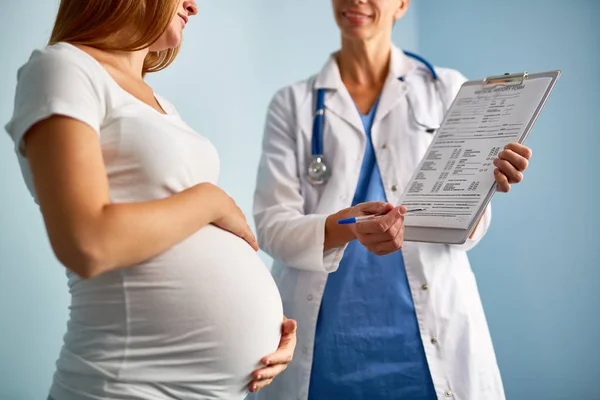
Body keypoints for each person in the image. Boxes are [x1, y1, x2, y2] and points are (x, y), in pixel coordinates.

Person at [4, 1, 297, 399]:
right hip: (125, 386)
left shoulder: (162, 106)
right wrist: (211, 200)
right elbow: (88, 243)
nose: (194, 6)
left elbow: (172, 242)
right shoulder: (62, 68)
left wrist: (270, 329)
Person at [251, 0, 533, 399]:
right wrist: (343, 226)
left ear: (402, 4)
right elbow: (272, 226)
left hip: (424, 343)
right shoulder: (293, 103)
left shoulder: (447, 89)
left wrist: (482, 189)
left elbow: (467, 233)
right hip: (326, 344)